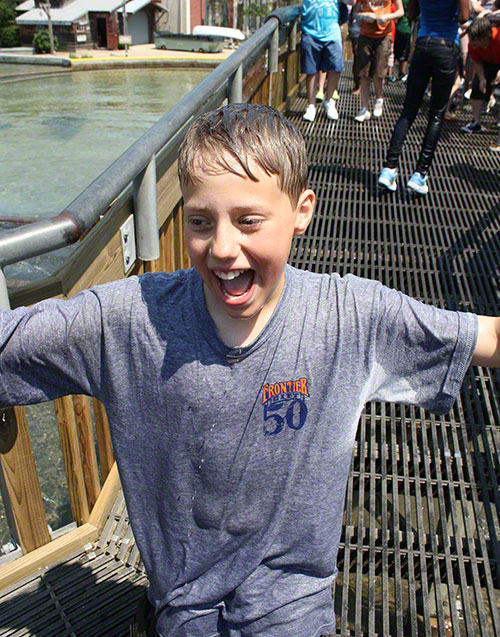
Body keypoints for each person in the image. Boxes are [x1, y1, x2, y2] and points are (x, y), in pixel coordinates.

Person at [1, 103, 499, 637]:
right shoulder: (127, 319)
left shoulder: (352, 315)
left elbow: (484, 336)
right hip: (185, 605)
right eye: (199, 221)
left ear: (302, 210)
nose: (221, 247)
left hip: (295, 603)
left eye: (248, 221)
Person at [378, 0, 470, 195]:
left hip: (422, 44)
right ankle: (419, 174)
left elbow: (411, 14)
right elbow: (464, 17)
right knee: (436, 114)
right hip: (446, 46)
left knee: (408, 110)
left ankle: (389, 168)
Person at [301, 0, 352, 122]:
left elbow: (352, 2)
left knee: (336, 67)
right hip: (310, 31)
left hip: (332, 32)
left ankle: (329, 100)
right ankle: (311, 105)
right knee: (311, 70)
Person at [353, 0, 404, 121]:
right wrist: (363, 15)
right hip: (365, 34)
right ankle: (364, 108)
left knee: (379, 71)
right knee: (363, 73)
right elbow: (355, 12)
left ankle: (379, 98)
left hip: (384, 35)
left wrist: (388, 17)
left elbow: (401, 11)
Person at [461, 14, 500, 132]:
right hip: (487, 62)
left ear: (484, 37)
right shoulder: (473, 45)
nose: (471, 43)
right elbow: (476, 61)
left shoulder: (497, 38)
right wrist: (482, 78)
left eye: (474, 39)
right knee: (477, 86)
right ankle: (476, 122)